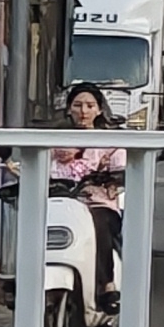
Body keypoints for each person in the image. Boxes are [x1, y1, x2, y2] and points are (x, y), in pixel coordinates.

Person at [51, 84, 128, 313]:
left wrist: (111, 179)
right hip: (60, 204)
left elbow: (122, 172)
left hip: (98, 205)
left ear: (99, 110)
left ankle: (106, 285)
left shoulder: (111, 144)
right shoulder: (53, 141)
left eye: (89, 106)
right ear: (68, 109)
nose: (83, 111)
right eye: (77, 105)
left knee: (98, 225)